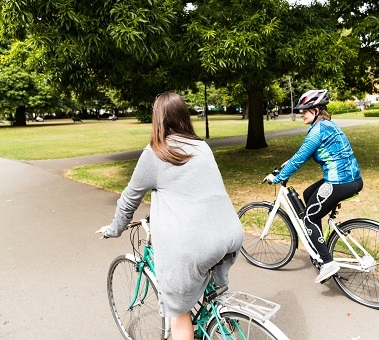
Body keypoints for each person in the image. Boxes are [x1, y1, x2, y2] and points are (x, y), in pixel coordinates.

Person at [96, 92, 244, 340]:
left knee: (178, 314)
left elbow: (129, 199)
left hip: (196, 242)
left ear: (157, 119)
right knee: (204, 281)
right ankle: (218, 317)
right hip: (230, 232)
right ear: (184, 115)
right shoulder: (202, 146)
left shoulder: (156, 152)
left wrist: (114, 229)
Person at [263, 89, 363, 284]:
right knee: (309, 194)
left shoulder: (317, 131)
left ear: (316, 110)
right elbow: (300, 155)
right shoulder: (326, 126)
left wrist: (277, 178)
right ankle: (319, 245)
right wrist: (284, 166)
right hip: (350, 179)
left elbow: (299, 159)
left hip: (340, 182)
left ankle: (328, 262)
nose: (302, 113)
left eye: (305, 110)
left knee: (309, 218)